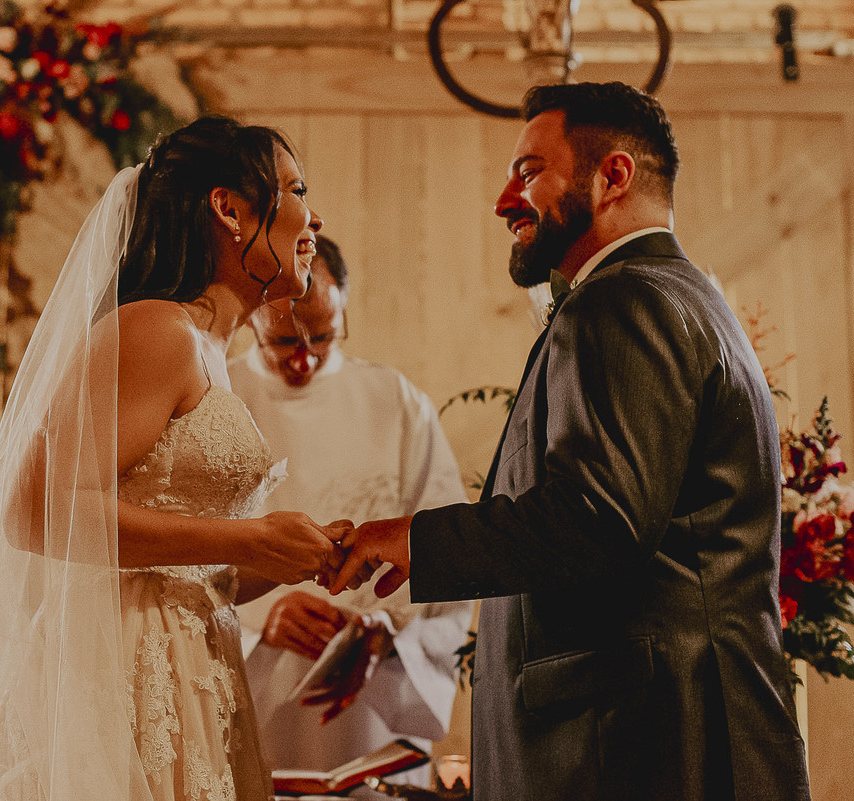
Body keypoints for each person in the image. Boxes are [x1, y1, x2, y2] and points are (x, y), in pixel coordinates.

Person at [330, 82, 812, 800]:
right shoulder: (684, 298)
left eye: (527, 172)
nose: (503, 200)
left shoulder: (624, 300)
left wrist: (414, 539)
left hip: (639, 749)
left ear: (612, 176)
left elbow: (599, 517)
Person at [0, 116, 347, 801]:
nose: (313, 215)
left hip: (191, 671)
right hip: (120, 670)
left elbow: (185, 561)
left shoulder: (210, 349)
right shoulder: (157, 328)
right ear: (229, 209)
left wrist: (299, 553)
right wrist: (252, 535)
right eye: (295, 188)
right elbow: (37, 507)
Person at [229, 237, 472, 782]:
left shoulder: (397, 402)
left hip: (371, 701)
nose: (303, 357)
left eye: (323, 337)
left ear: (344, 313)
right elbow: (177, 556)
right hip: (251, 692)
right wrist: (255, 623)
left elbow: (445, 547)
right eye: (284, 339)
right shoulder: (218, 396)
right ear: (251, 321)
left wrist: (384, 629)